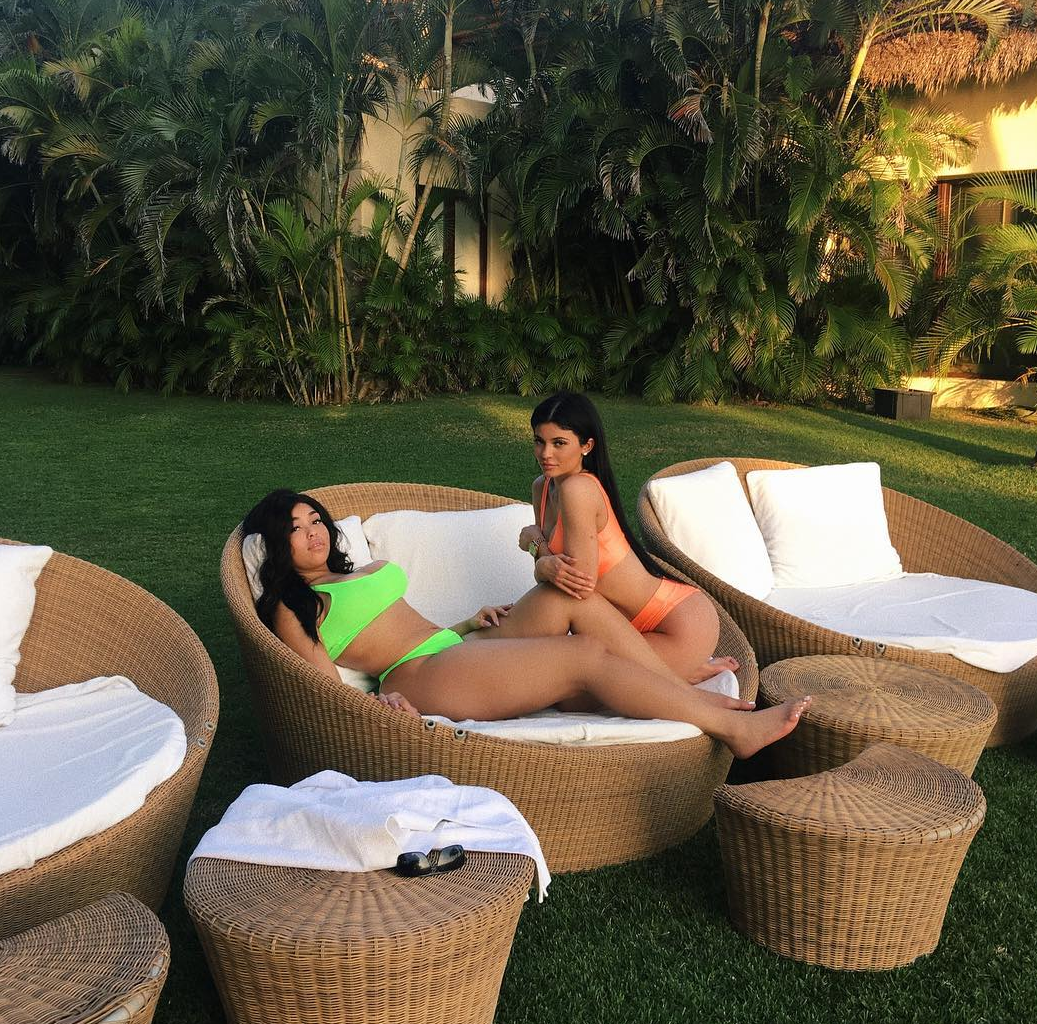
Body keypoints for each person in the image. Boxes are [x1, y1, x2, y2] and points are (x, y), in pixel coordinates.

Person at [242, 489, 810, 759]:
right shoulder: (295, 605)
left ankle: (670, 684)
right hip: (418, 676)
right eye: (296, 528)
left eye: (316, 520)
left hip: (453, 645)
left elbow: (398, 623)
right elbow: (317, 682)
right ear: (276, 544)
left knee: (570, 599)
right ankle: (729, 727)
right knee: (582, 656)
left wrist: (468, 622)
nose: (314, 532)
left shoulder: (349, 573)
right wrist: (375, 706)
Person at [509, 391, 731, 685]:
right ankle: (682, 670)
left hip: (675, 623)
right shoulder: (542, 486)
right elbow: (554, 579)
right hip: (621, 631)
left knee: (574, 694)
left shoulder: (579, 489)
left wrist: (536, 546)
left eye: (559, 443)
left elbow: (578, 586)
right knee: (570, 690)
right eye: (539, 441)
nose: (545, 453)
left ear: (587, 446)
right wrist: (543, 560)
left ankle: (684, 671)